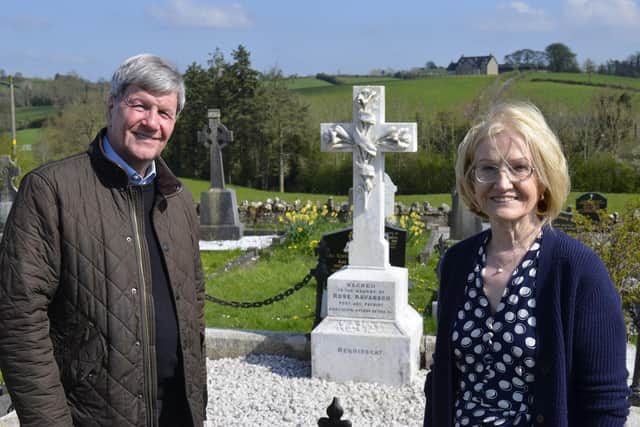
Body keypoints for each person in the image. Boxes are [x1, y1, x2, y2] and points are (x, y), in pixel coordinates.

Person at [0, 54, 206, 426]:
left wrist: (197, 402)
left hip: (178, 413)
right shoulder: (52, 191)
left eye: (165, 112)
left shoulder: (178, 200)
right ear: (112, 105)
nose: (151, 122)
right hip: (92, 416)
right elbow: (18, 318)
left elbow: (195, 301)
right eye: (140, 105)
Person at [424, 102, 630, 426]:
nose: (502, 183)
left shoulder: (578, 269)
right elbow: (441, 380)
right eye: (487, 169)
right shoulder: (457, 263)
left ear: (544, 179)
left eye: (520, 168)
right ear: (471, 180)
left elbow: (604, 402)